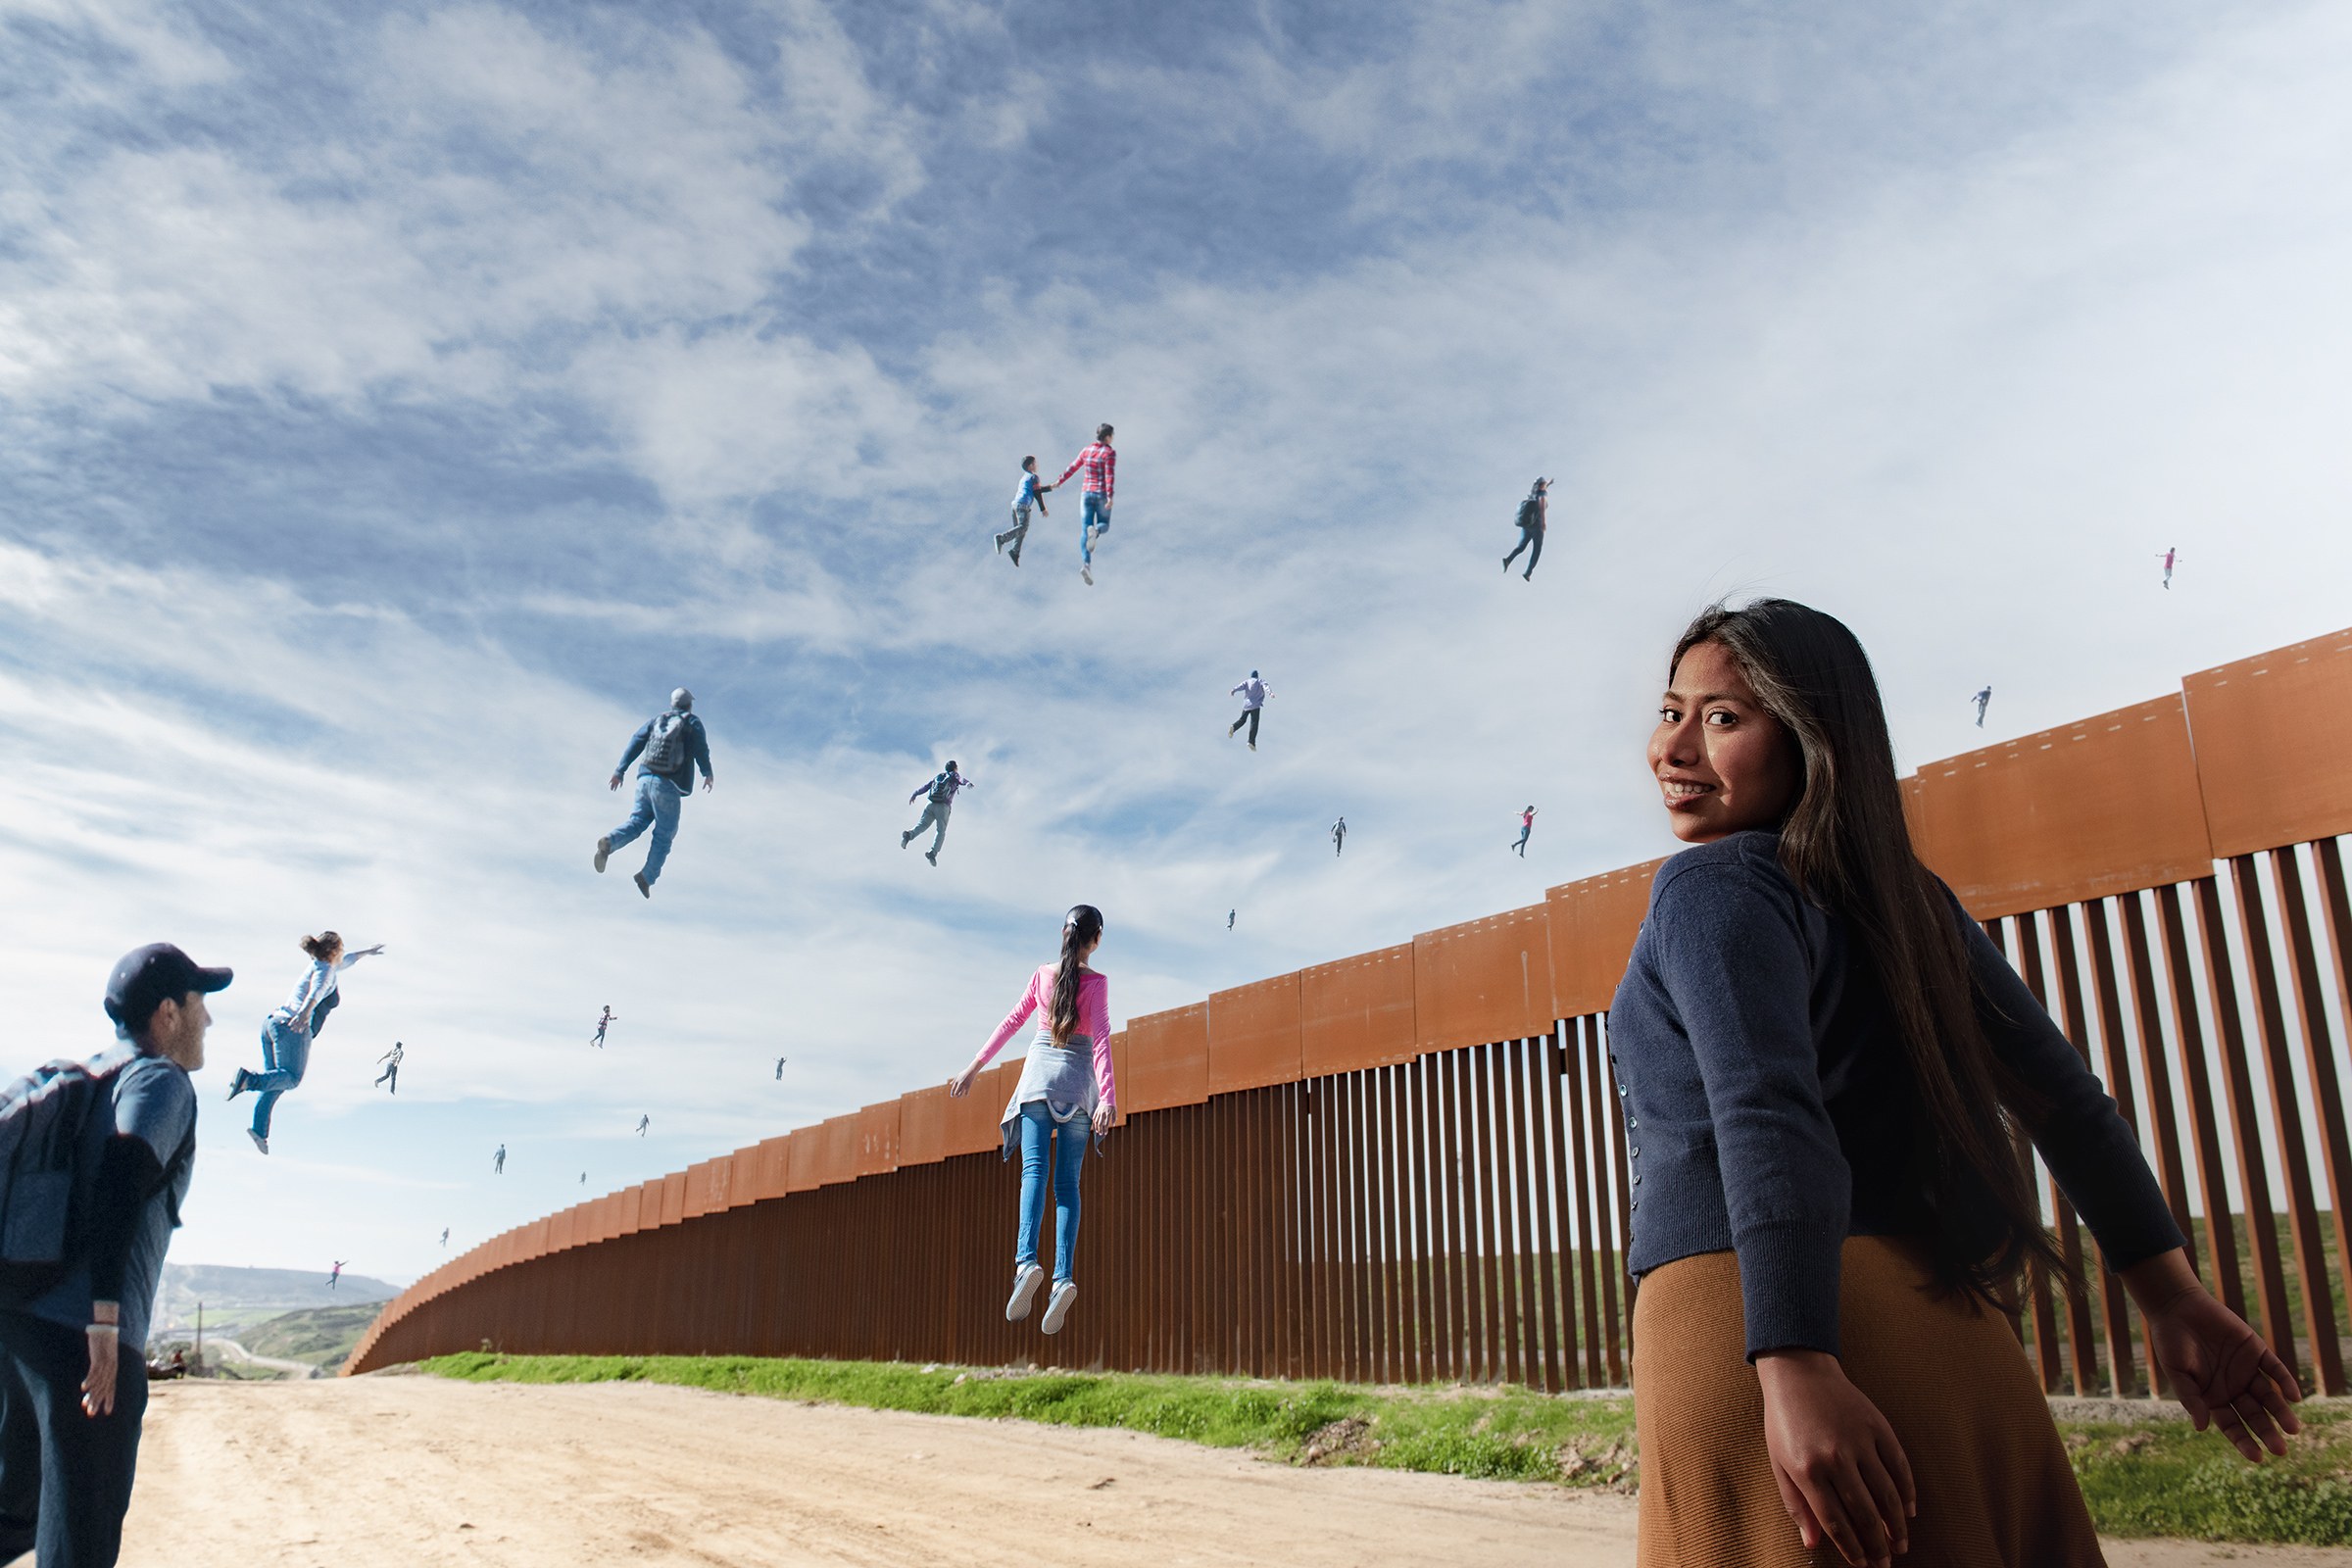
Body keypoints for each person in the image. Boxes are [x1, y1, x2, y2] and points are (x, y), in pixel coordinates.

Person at [1617, 598, 2298, 1566]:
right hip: (1955, 1340)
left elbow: (1767, 1109)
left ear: (1813, 742)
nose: (1673, 748)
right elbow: (2064, 1098)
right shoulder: (1909, 902)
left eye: (1725, 718)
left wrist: (1796, 1358)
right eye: (1672, 709)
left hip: (1757, 1332)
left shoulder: (1712, 885)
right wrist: (2174, 1298)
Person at [0, 941, 228, 1567]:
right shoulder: (159, 1078)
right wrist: (104, 1321)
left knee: (11, 1517)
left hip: (15, 1326)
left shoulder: (85, 1077)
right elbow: (124, 1173)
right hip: (85, 1349)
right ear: (168, 1013)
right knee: (79, 1545)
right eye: (199, 1003)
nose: (208, 1019)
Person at [948, 906, 1118, 1338]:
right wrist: (1109, 1098)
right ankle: (1062, 1277)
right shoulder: (1097, 984)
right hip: (1079, 1086)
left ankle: (1026, 1264)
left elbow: (1012, 1021)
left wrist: (974, 1066)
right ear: (1096, 939)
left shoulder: (1043, 974)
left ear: (1064, 933)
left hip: (1040, 1080)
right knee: (1067, 1186)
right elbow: (1099, 1041)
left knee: (1033, 1173)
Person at [225, 932, 382, 1154]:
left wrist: (367, 952)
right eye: (342, 947)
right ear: (333, 951)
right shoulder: (326, 971)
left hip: (272, 1024)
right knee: (292, 1078)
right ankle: (247, 1080)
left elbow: (348, 960)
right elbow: (316, 992)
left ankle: (259, 1131)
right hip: (292, 1028)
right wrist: (305, 1013)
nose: (344, 952)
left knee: (275, 1082)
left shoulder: (322, 965)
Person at [595, 688, 715, 900]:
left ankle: (609, 842)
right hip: (668, 785)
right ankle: (646, 877)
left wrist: (619, 771)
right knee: (664, 835)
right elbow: (700, 749)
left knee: (637, 822)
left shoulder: (656, 720)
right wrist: (707, 772)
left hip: (643, 781)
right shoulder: (692, 722)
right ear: (689, 705)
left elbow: (636, 742)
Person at [1055, 423, 1115, 586]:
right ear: (1108, 436)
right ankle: (1095, 532)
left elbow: (1072, 467)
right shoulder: (1109, 452)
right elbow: (1109, 476)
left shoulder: (1086, 450)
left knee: (1084, 529)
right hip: (1101, 494)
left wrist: (1059, 481)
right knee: (1104, 525)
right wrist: (1110, 496)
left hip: (1086, 494)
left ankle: (1086, 565)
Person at [901, 761, 974, 866]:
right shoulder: (953, 775)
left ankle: (908, 835)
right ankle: (933, 853)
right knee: (941, 831)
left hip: (930, 804)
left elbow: (926, 786)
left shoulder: (939, 777)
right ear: (955, 768)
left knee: (922, 825)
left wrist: (915, 794)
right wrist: (967, 783)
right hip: (943, 807)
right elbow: (960, 780)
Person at [995, 456, 1052, 566]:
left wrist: (1051, 487)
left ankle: (1015, 551)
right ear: (1031, 465)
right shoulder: (1034, 477)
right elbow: (1037, 493)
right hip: (1023, 505)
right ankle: (1001, 538)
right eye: (1035, 463)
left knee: (1020, 530)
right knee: (1023, 527)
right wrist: (1043, 508)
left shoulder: (1025, 477)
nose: (1037, 465)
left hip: (1015, 505)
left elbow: (1037, 489)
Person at [1502, 477, 1548, 580]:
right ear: (1542, 485)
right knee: (1536, 550)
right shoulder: (1542, 495)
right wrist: (1544, 522)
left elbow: (1543, 487)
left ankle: (1508, 560)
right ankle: (1528, 573)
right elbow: (1542, 506)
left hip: (1526, 526)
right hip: (1537, 527)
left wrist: (1549, 482)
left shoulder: (1533, 493)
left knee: (1521, 547)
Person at [1227, 671, 1271, 751]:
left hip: (1246, 705)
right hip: (1256, 706)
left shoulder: (1247, 681)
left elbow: (1239, 686)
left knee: (1242, 720)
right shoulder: (1260, 681)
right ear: (1257, 676)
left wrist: (1233, 690)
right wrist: (1270, 693)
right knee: (1254, 724)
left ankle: (1234, 727)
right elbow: (1265, 686)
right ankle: (1251, 741)